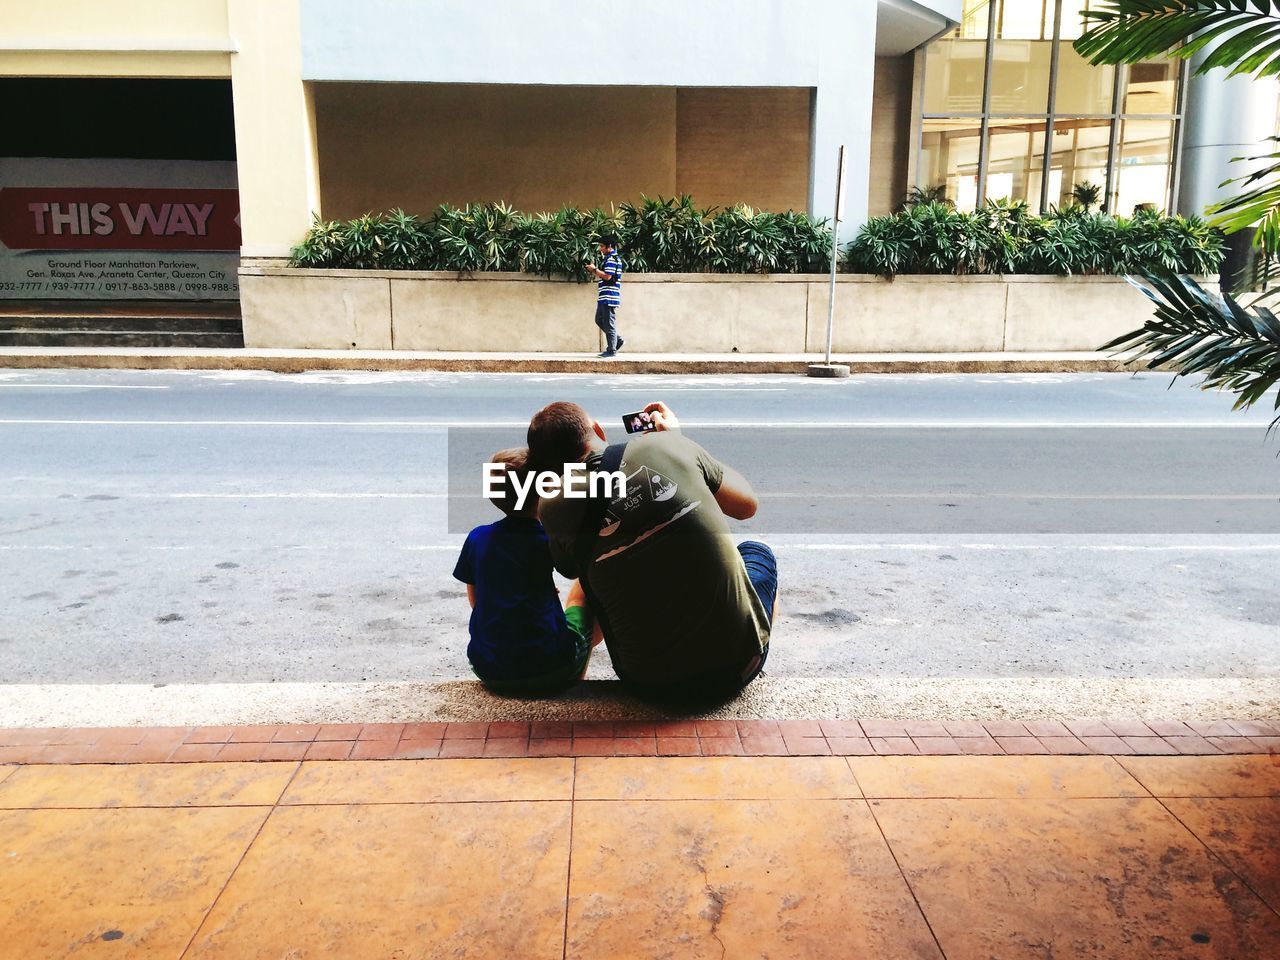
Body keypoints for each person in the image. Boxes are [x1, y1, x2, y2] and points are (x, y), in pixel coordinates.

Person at [528, 401, 777, 703]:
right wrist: (677, 438)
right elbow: (747, 505)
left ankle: (573, 671)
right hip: (739, 669)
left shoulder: (552, 504)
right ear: (596, 430)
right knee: (757, 552)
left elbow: (569, 568)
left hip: (650, 685)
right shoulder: (666, 445)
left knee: (588, 576)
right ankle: (753, 658)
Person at [453, 447, 596, 695]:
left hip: (488, 669)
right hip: (550, 668)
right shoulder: (546, 538)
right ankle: (574, 674)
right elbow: (575, 570)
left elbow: (475, 600)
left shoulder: (477, 538)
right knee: (585, 591)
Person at [584, 234, 624, 358]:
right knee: (600, 320)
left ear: (609, 246)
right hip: (605, 296)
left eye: (602, 246)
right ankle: (616, 340)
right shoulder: (610, 258)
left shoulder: (612, 259)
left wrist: (594, 270)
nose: (600, 249)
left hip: (609, 296)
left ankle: (611, 350)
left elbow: (608, 276)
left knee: (608, 322)